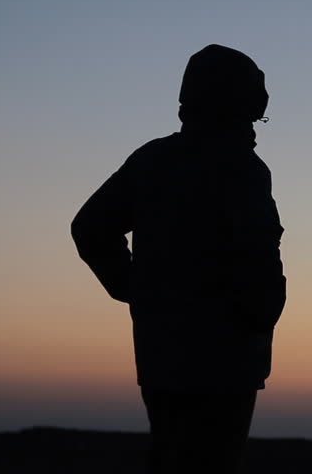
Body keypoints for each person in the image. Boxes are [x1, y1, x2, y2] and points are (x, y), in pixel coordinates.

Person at [71, 44, 286, 473]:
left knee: (172, 456)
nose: (254, 124)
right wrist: (257, 315)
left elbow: (90, 227)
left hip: (164, 355)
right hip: (225, 360)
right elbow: (257, 265)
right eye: (251, 111)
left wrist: (137, 292)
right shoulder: (242, 169)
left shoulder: (153, 160)